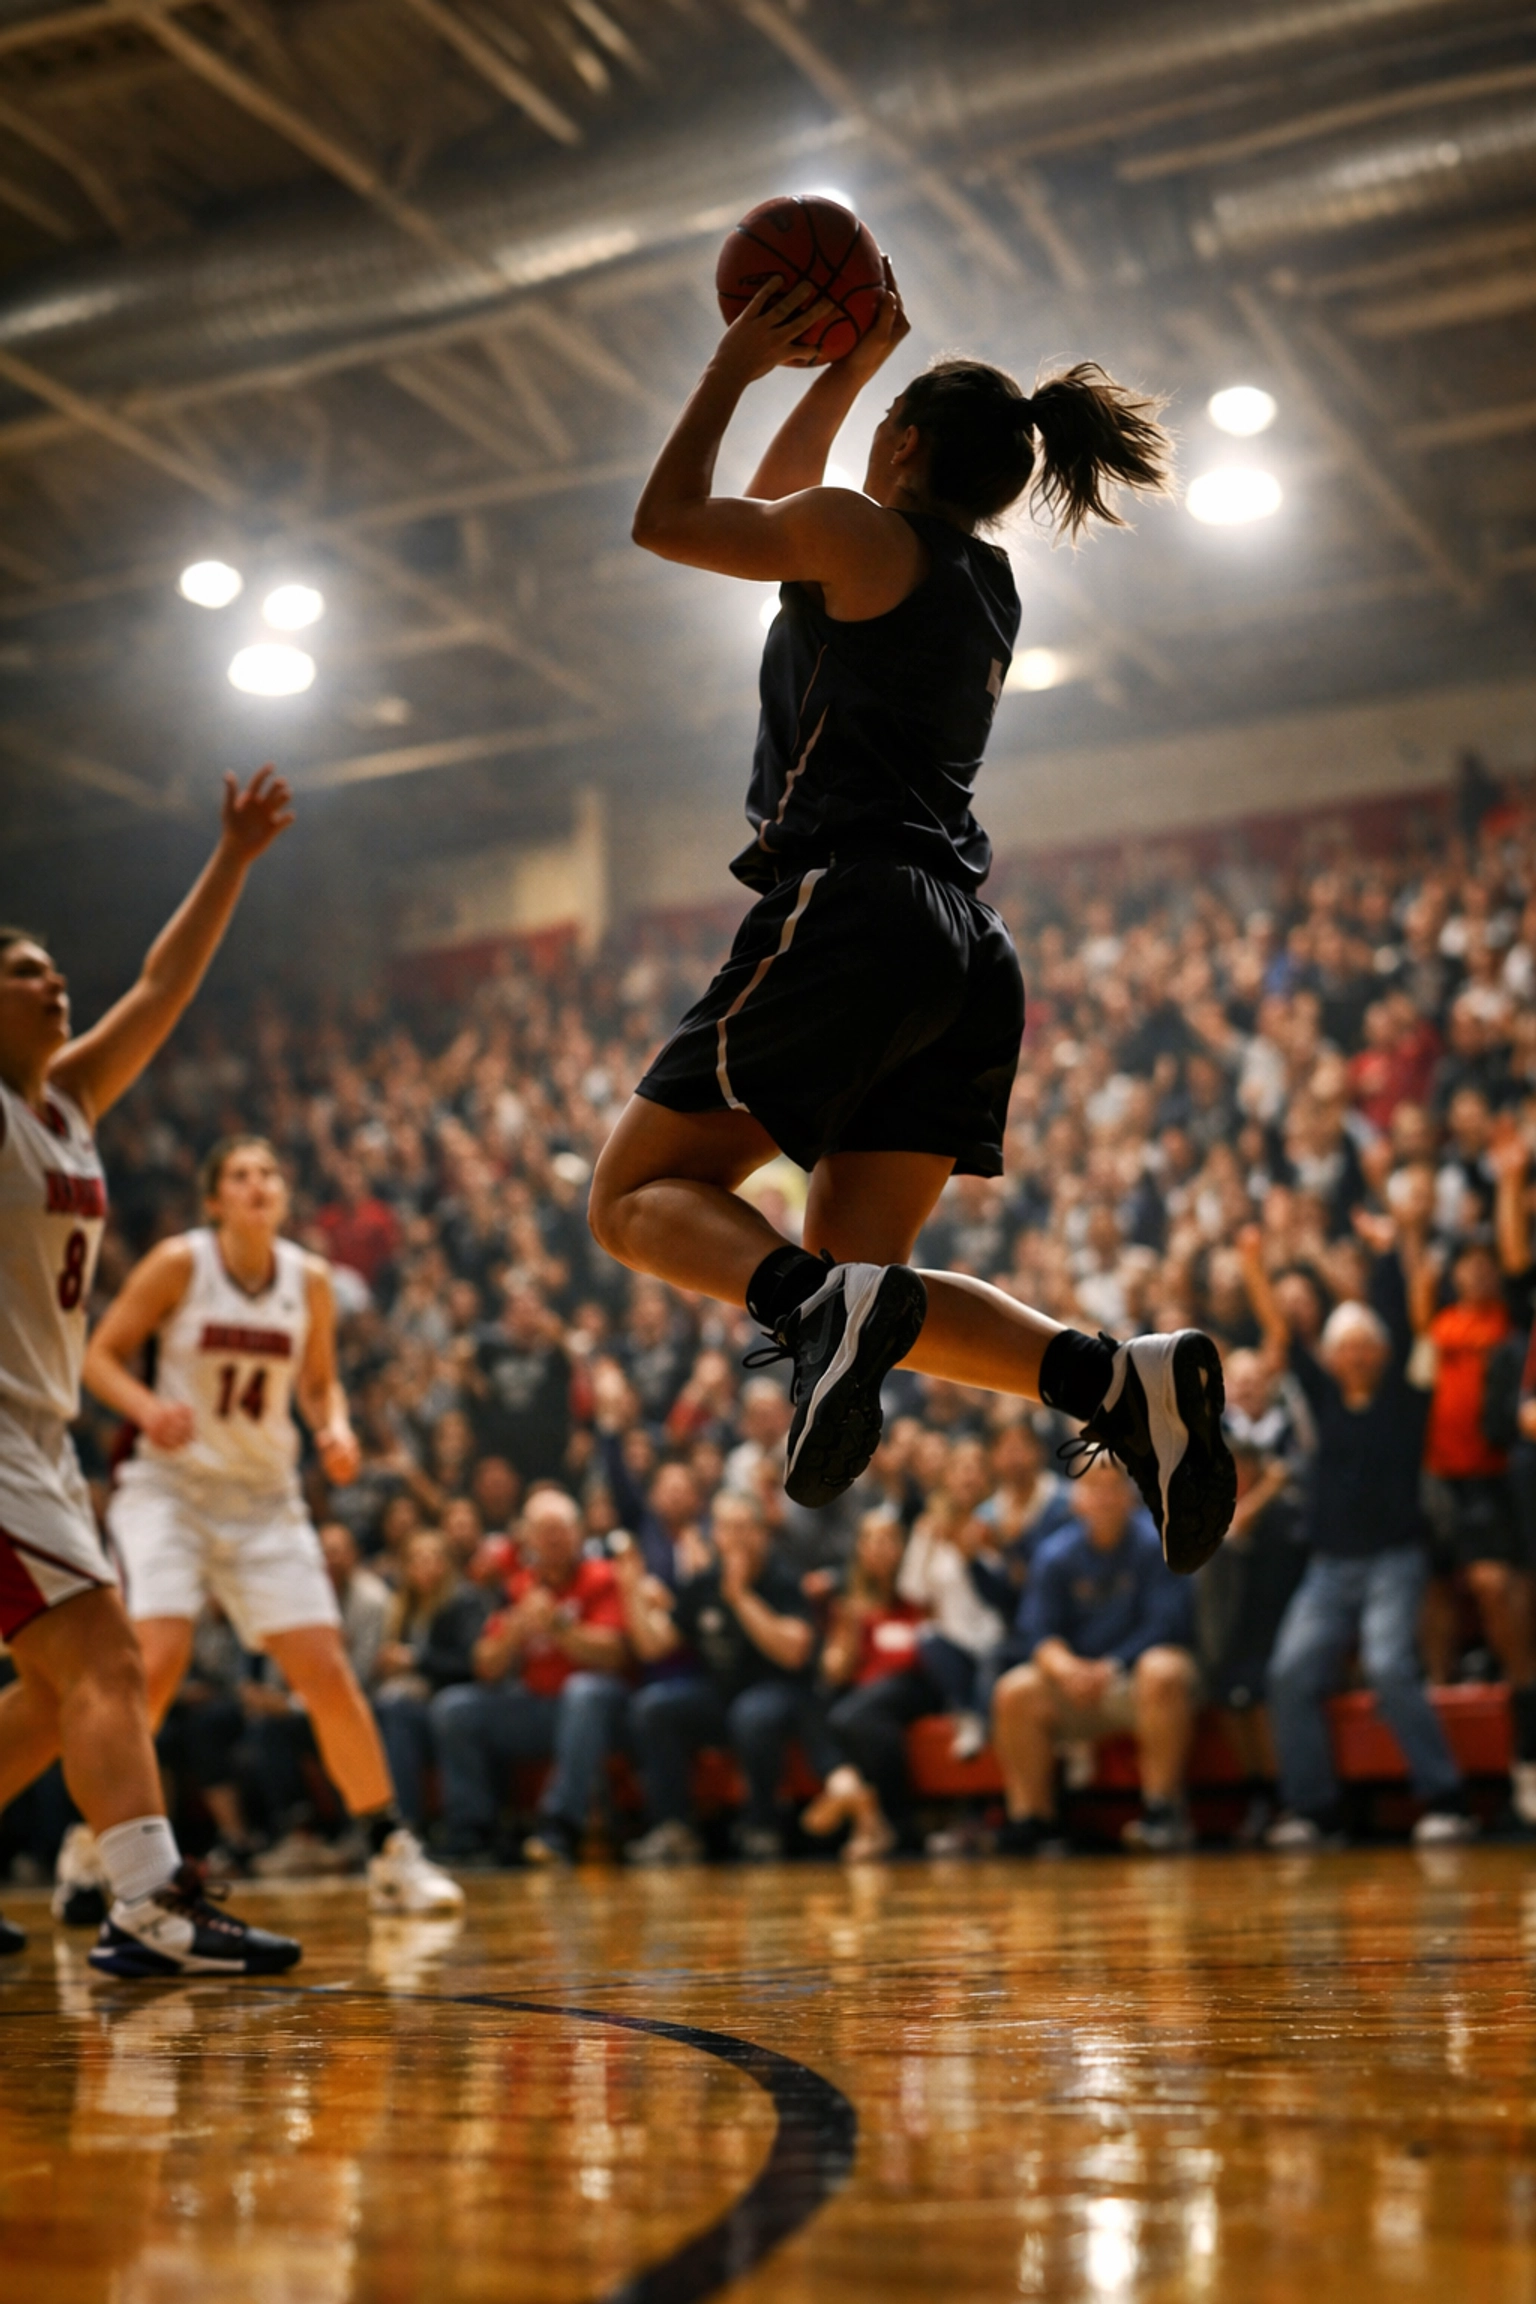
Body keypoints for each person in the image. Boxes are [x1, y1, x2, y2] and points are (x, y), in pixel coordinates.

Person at [587, 257, 1234, 1576]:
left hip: (852, 911)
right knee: (863, 1276)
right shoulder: (977, 578)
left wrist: (744, 363)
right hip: (960, 948)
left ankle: (807, 1311)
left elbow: (673, 517)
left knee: (633, 1197)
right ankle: (1113, 1384)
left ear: (906, 445)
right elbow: (787, 503)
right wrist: (849, 373)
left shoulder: (859, 536)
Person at [0, 768, 302, 1974]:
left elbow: (163, 985)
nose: (53, 981)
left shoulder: (65, 1100)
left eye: (52, 967)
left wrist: (231, 857)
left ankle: (144, 1900)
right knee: (111, 1659)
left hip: (42, 1434)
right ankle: (149, 1901)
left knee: (48, 1693)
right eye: (25, 972)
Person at [79, 1134, 462, 1917]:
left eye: (271, 1175)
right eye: (241, 1176)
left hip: (263, 1494)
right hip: (171, 1490)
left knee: (324, 1668)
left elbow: (319, 1385)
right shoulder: (180, 1264)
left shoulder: (309, 1279)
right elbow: (101, 1356)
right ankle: (92, 1849)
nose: (259, 1185)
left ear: (283, 1196)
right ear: (215, 1200)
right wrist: (149, 1406)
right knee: (155, 1658)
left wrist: (337, 1428)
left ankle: (390, 1849)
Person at [1239, 1223, 1475, 1848]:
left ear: (1383, 1351)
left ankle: (1445, 1794)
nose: (1357, 1355)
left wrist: (1401, 1251)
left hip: (1395, 1559)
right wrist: (1255, 1267)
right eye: (1346, 1347)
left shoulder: (1405, 1398)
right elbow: (1284, 1336)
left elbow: (1415, 1317)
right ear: (1334, 1356)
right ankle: (1315, 1810)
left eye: (1367, 1344)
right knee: (1287, 1673)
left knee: (1391, 1666)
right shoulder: (1321, 1396)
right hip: (1329, 1566)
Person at [990, 1459, 1200, 1855]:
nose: (1102, 1498)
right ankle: (1035, 1820)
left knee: (1163, 1669)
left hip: (1134, 1678)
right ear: (1077, 1501)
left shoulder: (1157, 1545)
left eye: (1111, 1488)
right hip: (1077, 1683)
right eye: (1093, 1489)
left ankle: (1163, 1811)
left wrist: (1109, 1667)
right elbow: (1038, 1633)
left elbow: (1165, 1626)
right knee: (1014, 1690)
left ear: (1129, 1496)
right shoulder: (1054, 1555)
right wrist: (1067, 1669)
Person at [429, 1484, 629, 1866]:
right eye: (545, 1531)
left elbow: (615, 1654)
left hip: (600, 1710)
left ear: (578, 1534)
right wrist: (517, 1629)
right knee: (454, 1708)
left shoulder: (602, 1577)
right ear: (529, 1539)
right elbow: (485, 1666)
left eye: (561, 1529)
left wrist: (557, 1626)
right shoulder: (516, 1586)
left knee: (583, 1691)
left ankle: (560, 1827)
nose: (553, 1539)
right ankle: (471, 1830)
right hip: (538, 1707)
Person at [621, 1487, 820, 1864]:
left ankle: (762, 1827)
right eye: (725, 1528)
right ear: (714, 1534)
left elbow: (794, 1653)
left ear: (762, 1533)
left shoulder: (782, 1577)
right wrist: (630, 1588)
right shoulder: (702, 1582)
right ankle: (673, 1827)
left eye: (744, 1528)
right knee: (654, 1708)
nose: (734, 1538)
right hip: (721, 1694)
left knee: (752, 1714)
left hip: (782, 1693)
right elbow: (652, 1646)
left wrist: (741, 1596)